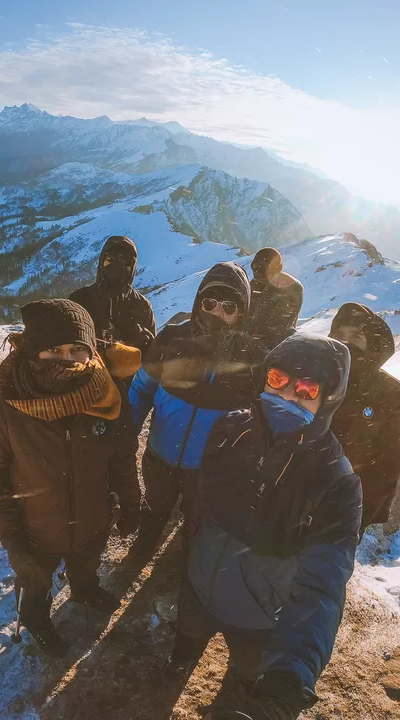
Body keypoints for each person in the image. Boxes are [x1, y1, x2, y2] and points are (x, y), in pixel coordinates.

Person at [167, 333, 362, 720]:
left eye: (306, 389)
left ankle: (240, 689)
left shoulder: (335, 481)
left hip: (259, 616)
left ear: (327, 400)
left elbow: (322, 587)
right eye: (278, 379)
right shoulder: (230, 430)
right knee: (186, 638)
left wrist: (288, 681)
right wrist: (191, 551)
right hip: (198, 587)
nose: (287, 395)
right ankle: (179, 663)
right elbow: (202, 501)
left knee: (245, 677)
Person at [0, 299, 142, 657]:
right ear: (33, 352)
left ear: (91, 352)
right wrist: (13, 540)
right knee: (34, 583)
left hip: (93, 520)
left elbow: (122, 456)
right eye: (53, 350)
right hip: (36, 530)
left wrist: (130, 501)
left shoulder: (108, 396)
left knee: (87, 563)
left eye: (77, 349)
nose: (67, 360)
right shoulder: (4, 404)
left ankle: (84, 589)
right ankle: (36, 619)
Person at [127, 262, 265, 556]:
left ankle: (188, 563)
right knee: (155, 506)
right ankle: (144, 546)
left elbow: (260, 419)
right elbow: (141, 389)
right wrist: (126, 434)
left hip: (208, 471)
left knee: (197, 521)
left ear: (242, 313)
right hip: (159, 458)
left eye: (229, 307)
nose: (217, 313)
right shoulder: (171, 339)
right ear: (198, 302)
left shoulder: (253, 360)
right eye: (210, 302)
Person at [70, 235, 157, 538]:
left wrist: (144, 343)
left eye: (126, 262)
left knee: (122, 455)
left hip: (123, 397)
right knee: (84, 456)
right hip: (82, 394)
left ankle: (128, 510)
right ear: (101, 262)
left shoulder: (141, 307)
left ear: (134, 268)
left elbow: (150, 362)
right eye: (111, 259)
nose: (117, 266)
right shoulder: (81, 300)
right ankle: (87, 515)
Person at [328, 302, 400, 534]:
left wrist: (356, 520)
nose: (345, 342)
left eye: (356, 336)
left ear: (371, 343)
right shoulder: (315, 375)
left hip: (340, 512)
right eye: (338, 335)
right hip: (288, 499)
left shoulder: (393, 395)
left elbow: (387, 467)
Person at [247, 247, 304, 350]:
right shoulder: (252, 286)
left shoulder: (291, 288)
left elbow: (283, 323)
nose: (256, 272)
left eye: (261, 268)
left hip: (277, 347)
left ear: (278, 268)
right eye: (254, 267)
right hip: (258, 346)